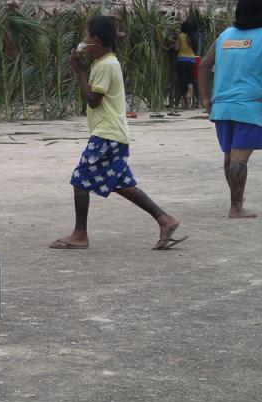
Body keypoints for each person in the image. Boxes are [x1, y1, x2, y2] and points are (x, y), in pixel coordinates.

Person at [50, 16, 186, 251]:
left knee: (81, 179)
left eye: (86, 36)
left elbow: (93, 100)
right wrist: (82, 70)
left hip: (107, 134)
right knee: (121, 183)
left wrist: (79, 71)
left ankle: (80, 234)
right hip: (113, 133)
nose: (83, 40)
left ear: (97, 40)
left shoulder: (106, 65)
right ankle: (165, 219)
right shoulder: (104, 62)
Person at [199, 0, 262, 219]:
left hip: (222, 107)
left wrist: (206, 99)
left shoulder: (225, 36)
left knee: (229, 158)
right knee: (239, 160)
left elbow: (204, 65)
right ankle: (236, 207)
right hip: (249, 106)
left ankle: (236, 201)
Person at [174, 19, 199, 109]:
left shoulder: (180, 35)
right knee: (190, 79)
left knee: (182, 81)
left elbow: (176, 48)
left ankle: (187, 104)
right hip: (192, 60)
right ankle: (191, 88)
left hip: (181, 60)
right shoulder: (194, 36)